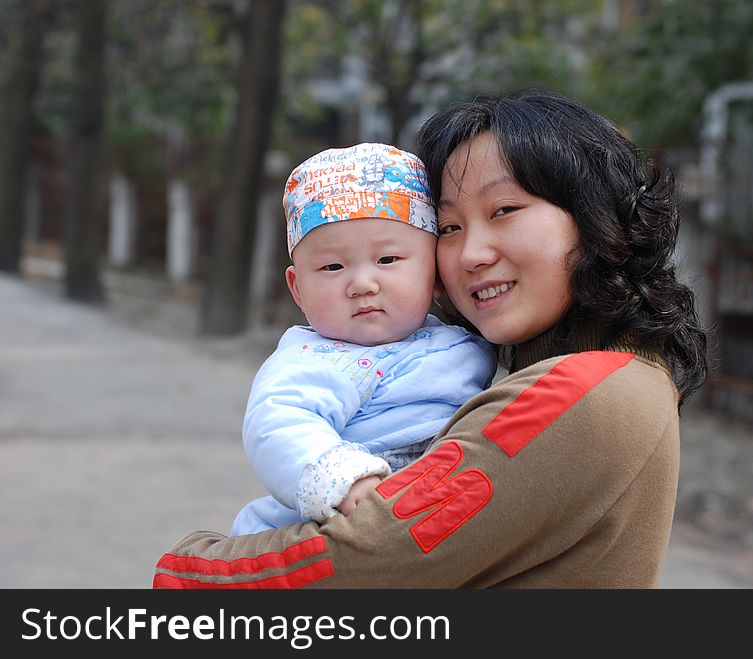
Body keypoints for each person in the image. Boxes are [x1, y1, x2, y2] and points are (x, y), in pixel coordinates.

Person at [154, 89, 707, 588]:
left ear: (596, 220)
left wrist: (189, 568)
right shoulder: (552, 365)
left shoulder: (584, 390)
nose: (470, 254)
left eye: (505, 210)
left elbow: (378, 554)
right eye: (449, 227)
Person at [229, 142, 496, 535]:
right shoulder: (314, 359)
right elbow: (278, 422)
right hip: (338, 518)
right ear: (297, 288)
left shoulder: (465, 339)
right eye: (332, 266)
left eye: (387, 260)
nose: (362, 284)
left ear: (435, 273)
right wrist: (345, 479)